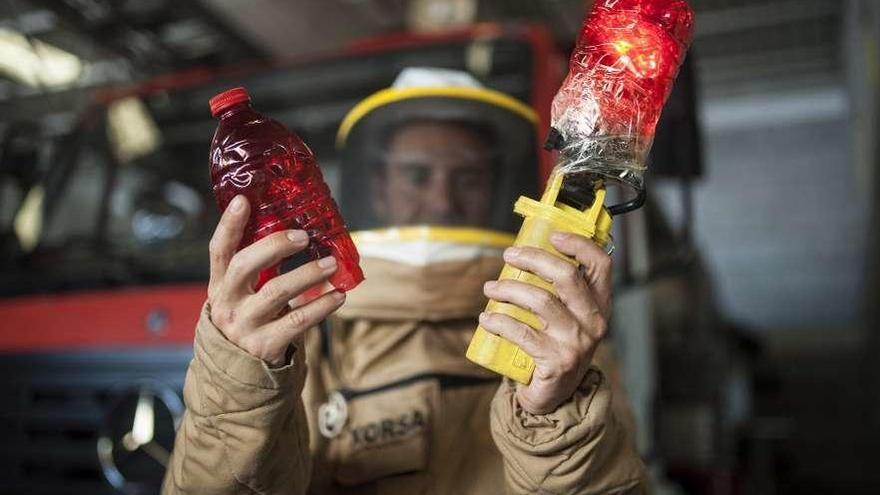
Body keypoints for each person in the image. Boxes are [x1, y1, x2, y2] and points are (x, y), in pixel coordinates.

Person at [162, 68, 647, 494]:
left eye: (468, 178)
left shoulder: (558, 327)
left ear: (495, 188)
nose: (441, 199)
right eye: (417, 175)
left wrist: (556, 410)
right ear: (376, 185)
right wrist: (237, 384)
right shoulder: (301, 334)